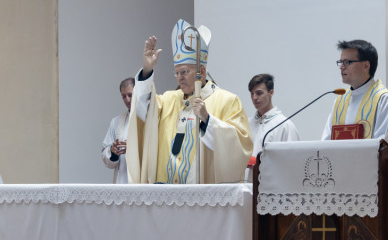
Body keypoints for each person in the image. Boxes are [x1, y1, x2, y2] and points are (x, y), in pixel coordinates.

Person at [126, 29, 253, 184]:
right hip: (165, 190)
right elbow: (143, 111)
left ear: (202, 72)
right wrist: (147, 70)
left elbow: (240, 148)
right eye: (177, 73)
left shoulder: (227, 101)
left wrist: (207, 120)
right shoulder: (168, 99)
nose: (180, 78)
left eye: (184, 72)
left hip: (203, 191)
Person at [321, 39, 388, 154]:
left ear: (366, 65)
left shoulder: (383, 100)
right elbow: (325, 144)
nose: (342, 67)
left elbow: (387, 147)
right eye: (341, 62)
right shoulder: (339, 102)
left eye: (347, 62)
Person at [248, 73, 300, 157]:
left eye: (259, 93)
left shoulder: (285, 125)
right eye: (252, 93)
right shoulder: (247, 124)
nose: (254, 98)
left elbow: (294, 158)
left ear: (271, 93)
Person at [101, 77, 134, 183]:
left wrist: (134, 149)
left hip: (143, 183)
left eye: (130, 95)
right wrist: (113, 151)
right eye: (123, 96)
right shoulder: (116, 122)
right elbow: (107, 160)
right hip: (122, 181)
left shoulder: (149, 120)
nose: (127, 100)